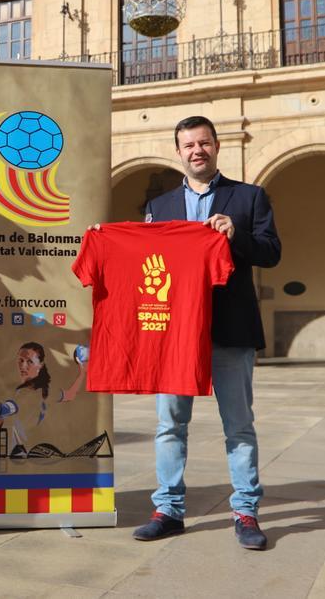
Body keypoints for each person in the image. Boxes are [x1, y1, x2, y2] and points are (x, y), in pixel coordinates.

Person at [132, 115, 281, 550]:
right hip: (175, 333)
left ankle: (246, 513)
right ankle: (169, 510)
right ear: (178, 152)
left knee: (238, 425)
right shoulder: (158, 209)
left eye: (204, 143)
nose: (197, 151)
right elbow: (146, 263)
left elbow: (271, 252)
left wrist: (236, 237)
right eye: (188, 145)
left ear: (217, 147)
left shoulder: (249, 197)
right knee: (170, 425)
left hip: (230, 329)